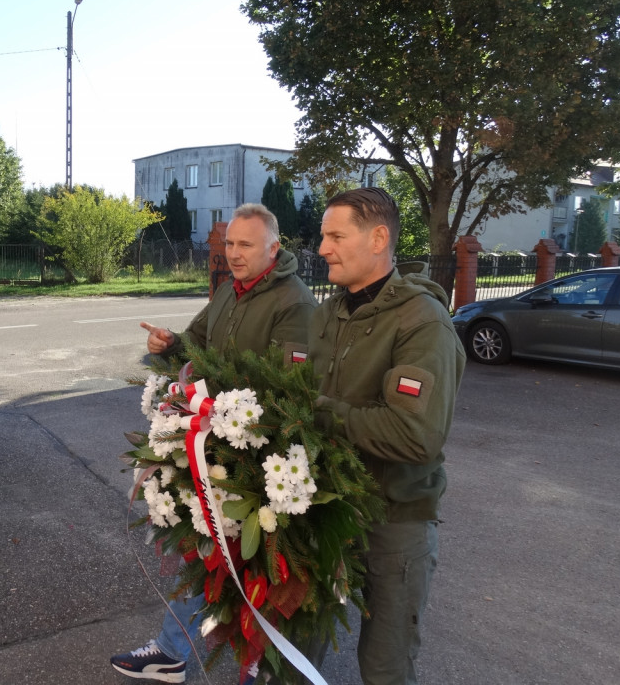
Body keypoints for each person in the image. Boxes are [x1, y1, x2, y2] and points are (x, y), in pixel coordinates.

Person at [111, 203, 317, 684]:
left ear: (274, 247)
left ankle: (262, 669)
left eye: (246, 245)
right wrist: (170, 343)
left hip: (257, 462)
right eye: (229, 244)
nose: (234, 254)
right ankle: (171, 652)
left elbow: (288, 390)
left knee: (257, 573)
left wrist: (221, 404)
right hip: (213, 446)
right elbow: (196, 342)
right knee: (207, 555)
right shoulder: (230, 290)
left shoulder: (294, 303)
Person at [309, 187, 465, 685]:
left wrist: (318, 414)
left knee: (385, 665)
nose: (322, 248)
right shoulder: (330, 312)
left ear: (378, 238)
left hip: (393, 517)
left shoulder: (422, 322)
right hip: (323, 508)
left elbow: (414, 434)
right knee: (296, 641)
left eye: (335, 236)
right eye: (322, 236)